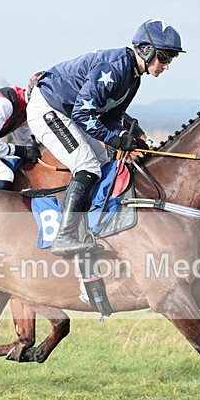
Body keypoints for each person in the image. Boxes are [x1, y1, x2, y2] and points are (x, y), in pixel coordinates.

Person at [27, 18, 184, 256]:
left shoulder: (133, 78)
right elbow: (83, 113)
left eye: (171, 59)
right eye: (164, 57)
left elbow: (112, 117)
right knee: (87, 165)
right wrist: (115, 139)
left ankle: (89, 225)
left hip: (68, 113)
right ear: (146, 50)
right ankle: (64, 237)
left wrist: (125, 137)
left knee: (103, 160)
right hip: (49, 109)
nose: (167, 65)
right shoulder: (114, 68)